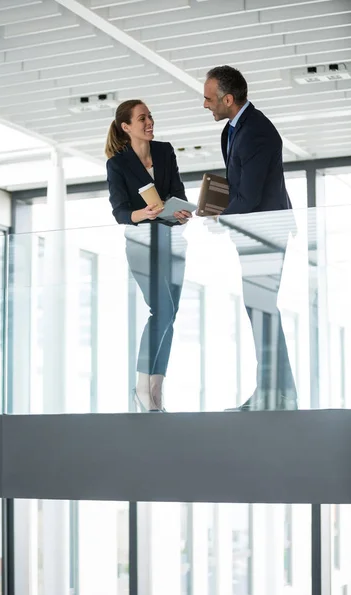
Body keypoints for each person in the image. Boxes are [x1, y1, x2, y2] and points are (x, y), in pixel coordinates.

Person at [203, 65, 297, 410]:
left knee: (261, 309)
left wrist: (219, 219)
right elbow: (240, 187)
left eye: (209, 98)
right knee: (259, 309)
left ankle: (276, 393)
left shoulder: (255, 131)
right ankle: (276, 392)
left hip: (266, 233)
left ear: (228, 99)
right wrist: (215, 204)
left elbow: (251, 197)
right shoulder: (233, 129)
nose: (205, 104)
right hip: (254, 233)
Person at [105, 99, 192, 412]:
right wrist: (144, 212)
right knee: (162, 310)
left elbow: (177, 193)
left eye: (150, 116)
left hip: (173, 240)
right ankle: (142, 387)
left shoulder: (165, 151)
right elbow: (120, 212)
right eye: (142, 118)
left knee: (171, 315)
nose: (149, 122)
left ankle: (156, 390)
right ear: (126, 127)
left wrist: (181, 211)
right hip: (141, 242)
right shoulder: (117, 163)